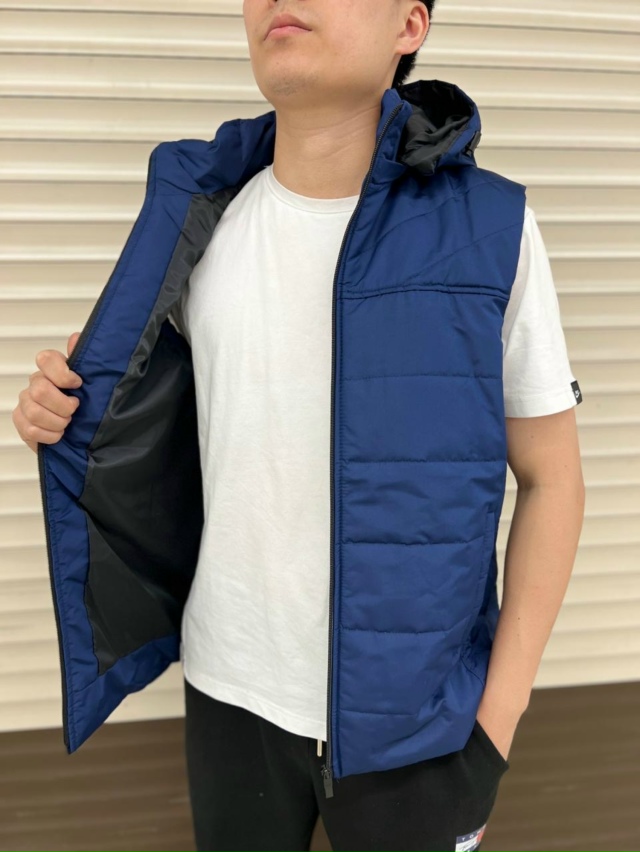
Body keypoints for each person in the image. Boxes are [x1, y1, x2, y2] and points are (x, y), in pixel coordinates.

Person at [13, 1, 586, 850]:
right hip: (227, 696)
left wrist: (499, 716)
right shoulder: (197, 219)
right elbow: (156, 422)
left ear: (409, 27)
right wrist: (61, 410)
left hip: (420, 727)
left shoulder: (491, 231)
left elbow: (553, 478)